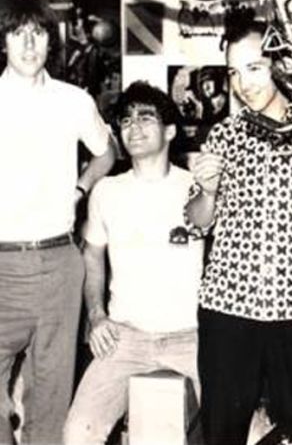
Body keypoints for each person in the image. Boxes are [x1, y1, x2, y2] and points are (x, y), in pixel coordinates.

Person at [185, 18, 292, 445]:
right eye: (233, 72)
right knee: (221, 435)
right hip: (228, 308)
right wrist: (207, 190)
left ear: (281, 67)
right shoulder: (224, 134)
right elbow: (197, 221)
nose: (242, 84)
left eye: (254, 68)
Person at [0, 0, 115, 444]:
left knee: (51, 397)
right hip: (2, 265)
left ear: (51, 41)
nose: (29, 45)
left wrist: (80, 188)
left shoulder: (74, 100)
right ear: (4, 41)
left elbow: (106, 153)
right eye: (18, 34)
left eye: (38, 34)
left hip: (58, 264)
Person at [63, 81, 205, 445]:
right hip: (125, 338)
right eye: (126, 120)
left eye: (146, 117)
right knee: (78, 433)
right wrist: (97, 316)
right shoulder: (107, 191)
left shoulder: (196, 189)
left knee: (244, 430)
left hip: (192, 338)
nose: (134, 127)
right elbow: (92, 254)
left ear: (170, 131)